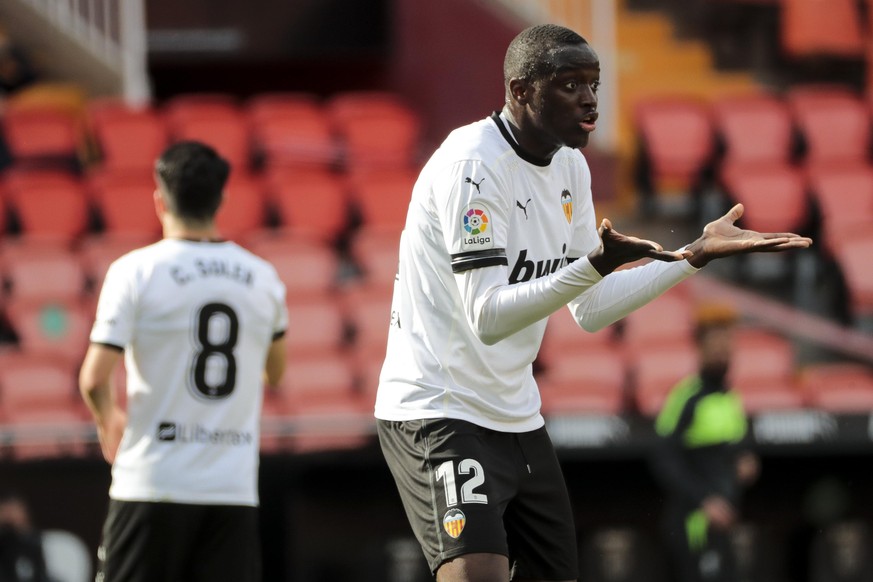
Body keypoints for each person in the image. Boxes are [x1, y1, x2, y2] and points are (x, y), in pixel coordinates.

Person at [374, 23, 811, 582]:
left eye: (595, 84)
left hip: (515, 415)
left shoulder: (569, 166)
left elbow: (591, 307)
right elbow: (486, 317)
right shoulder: (473, 165)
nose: (589, 99)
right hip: (439, 407)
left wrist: (692, 255)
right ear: (521, 91)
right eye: (569, 84)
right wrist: (592, 266)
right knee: (477, 572)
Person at [79, 141, 288, 582]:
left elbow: (94, 378)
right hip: (231, 488)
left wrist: (106, 418)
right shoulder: (263, 277)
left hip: (153, 481)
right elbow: (276, 371)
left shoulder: (135, 271)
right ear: (222, 200)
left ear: (159, 200)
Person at [650, 305, 759, 582]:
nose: (723, 350)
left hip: (725, 521)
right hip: (693, 522)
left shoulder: (731, 397)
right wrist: (704, 500)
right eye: (716, 343)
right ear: (700, 349)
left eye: (728, 342)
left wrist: (745, 458)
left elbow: (736, 445)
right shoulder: (686, 397)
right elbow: (663, 457)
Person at [0, 492, 49, 582]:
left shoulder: (33, 539)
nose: (10, 515)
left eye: (14, 510)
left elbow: (40, 573)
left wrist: (20, 529)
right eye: (6, 510)